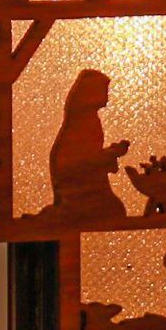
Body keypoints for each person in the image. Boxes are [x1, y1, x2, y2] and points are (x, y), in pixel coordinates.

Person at [47, 68, 128, 219]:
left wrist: (110, 153)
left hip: (86, 188)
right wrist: (111, 154)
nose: (107, 98)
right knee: (113, 211)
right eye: (104, 91)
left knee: (115, 210)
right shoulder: (81, 124)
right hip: (77, 193)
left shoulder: (89, 121)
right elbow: (80, 163)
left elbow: (89, 155)